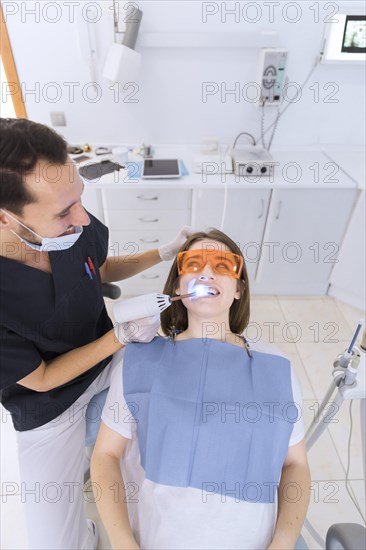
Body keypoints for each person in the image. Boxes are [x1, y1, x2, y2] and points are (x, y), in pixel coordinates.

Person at [0, 117, 192, 550]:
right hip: (49, 405)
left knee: (169, 465)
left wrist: (163, 253)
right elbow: (44, 378)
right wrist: (118, 337)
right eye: (63, 212)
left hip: (112, 361)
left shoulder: (71, 223)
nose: (82, 218)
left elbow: (100, 269)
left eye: (79, 199)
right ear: (5, 219)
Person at [91, 229, 311, 550]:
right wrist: (124, 543)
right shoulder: (140, 362)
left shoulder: (276, 367)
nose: (207, 272)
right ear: (178, 287)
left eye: (223, 265)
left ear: (238, 290)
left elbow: (296, 465)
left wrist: (284, 541)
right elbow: (105, 456)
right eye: (193, 264)